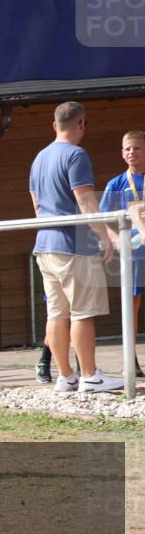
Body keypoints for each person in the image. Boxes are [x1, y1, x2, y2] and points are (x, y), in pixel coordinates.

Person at [29, 101, 122, 394]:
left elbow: (36, 204)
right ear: (81, 124)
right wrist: (105, 235)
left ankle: (65, 376)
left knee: (57, 314)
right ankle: (90, 376)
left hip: (44, 244)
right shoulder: (76, 155)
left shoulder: (39, 158)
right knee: (83, 312)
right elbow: (84, 200)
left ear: (54, 124)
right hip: (73, 246)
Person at [100, 130, 145, 378]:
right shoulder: (116, 184)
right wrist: (116, 239)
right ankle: (131, 360)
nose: (131, 153)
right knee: (132, 306)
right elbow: (101, 219)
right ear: (121, 153)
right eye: (127, 149)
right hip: (136, 255)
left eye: (136, 148)